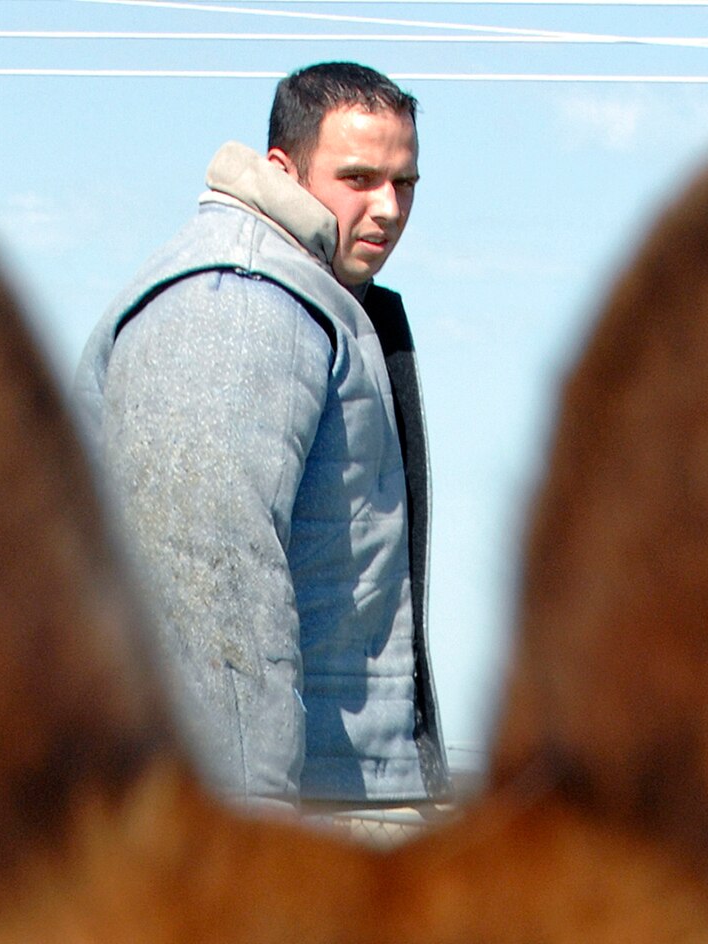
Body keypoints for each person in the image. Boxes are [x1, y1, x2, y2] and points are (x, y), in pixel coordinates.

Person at [75, 63, 448, 809]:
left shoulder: (315, 297)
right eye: (359, 177)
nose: (387, 208)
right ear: (283, 167)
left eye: (404, 182)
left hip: (340, 801)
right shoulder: (236, 298)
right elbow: (212, 586)